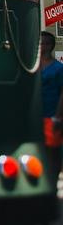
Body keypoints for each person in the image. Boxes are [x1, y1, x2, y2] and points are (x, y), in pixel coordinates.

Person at [40, 31, 63, 194]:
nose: (43, 47)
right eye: (40, 44)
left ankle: (52, 187)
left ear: (51, 46)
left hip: (51, 116)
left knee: (52, 154)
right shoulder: (33, 67)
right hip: (35, 117)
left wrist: (58, 116)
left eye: (46, 43)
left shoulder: (58, 68)